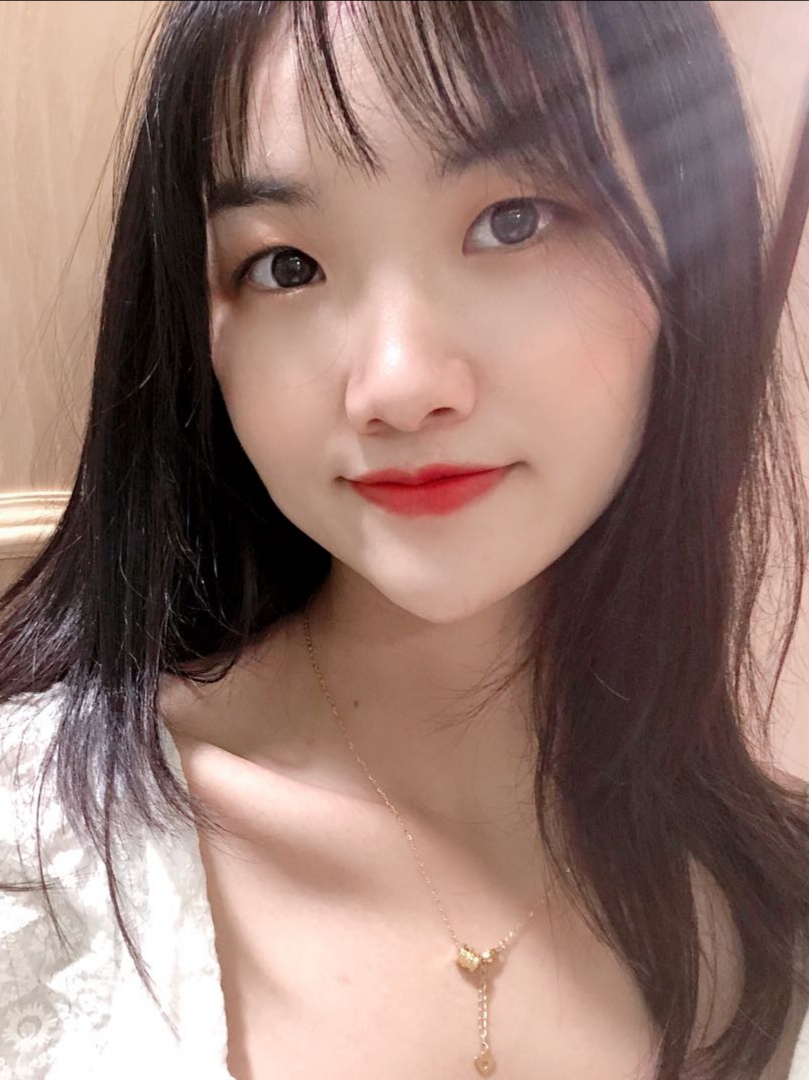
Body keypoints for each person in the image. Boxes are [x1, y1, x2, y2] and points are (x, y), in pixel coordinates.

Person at [2, 0, 809, 1077]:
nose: (396, 385)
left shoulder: (774, 899)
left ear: (689, 263)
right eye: (285, 266)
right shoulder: (34, 853)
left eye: (513, 220)